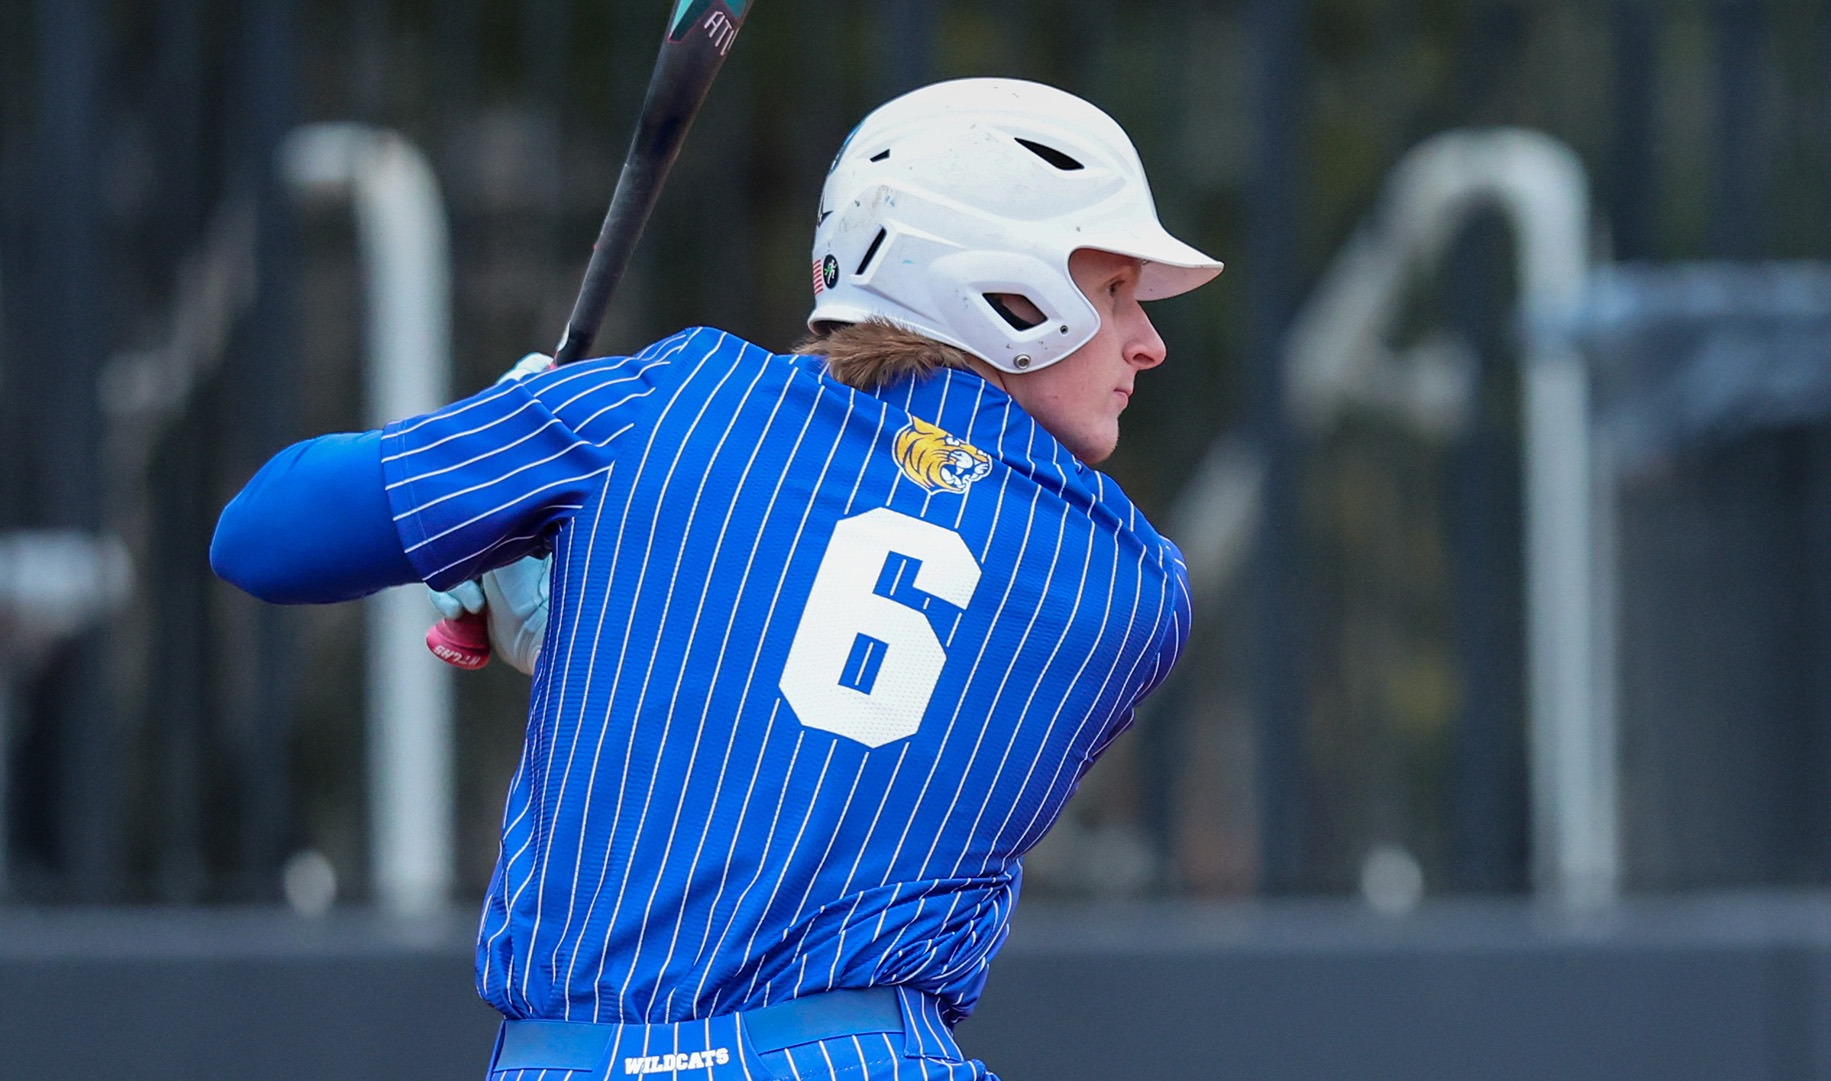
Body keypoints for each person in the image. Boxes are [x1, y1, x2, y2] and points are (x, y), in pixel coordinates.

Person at [212, 77, 1220, 1081]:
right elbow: (832, 681)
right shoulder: (1125, 582)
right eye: (1115, 290)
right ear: (1007, 286)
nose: (1149, 341)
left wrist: (509, 448)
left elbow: (260, 536)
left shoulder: (673, 402)